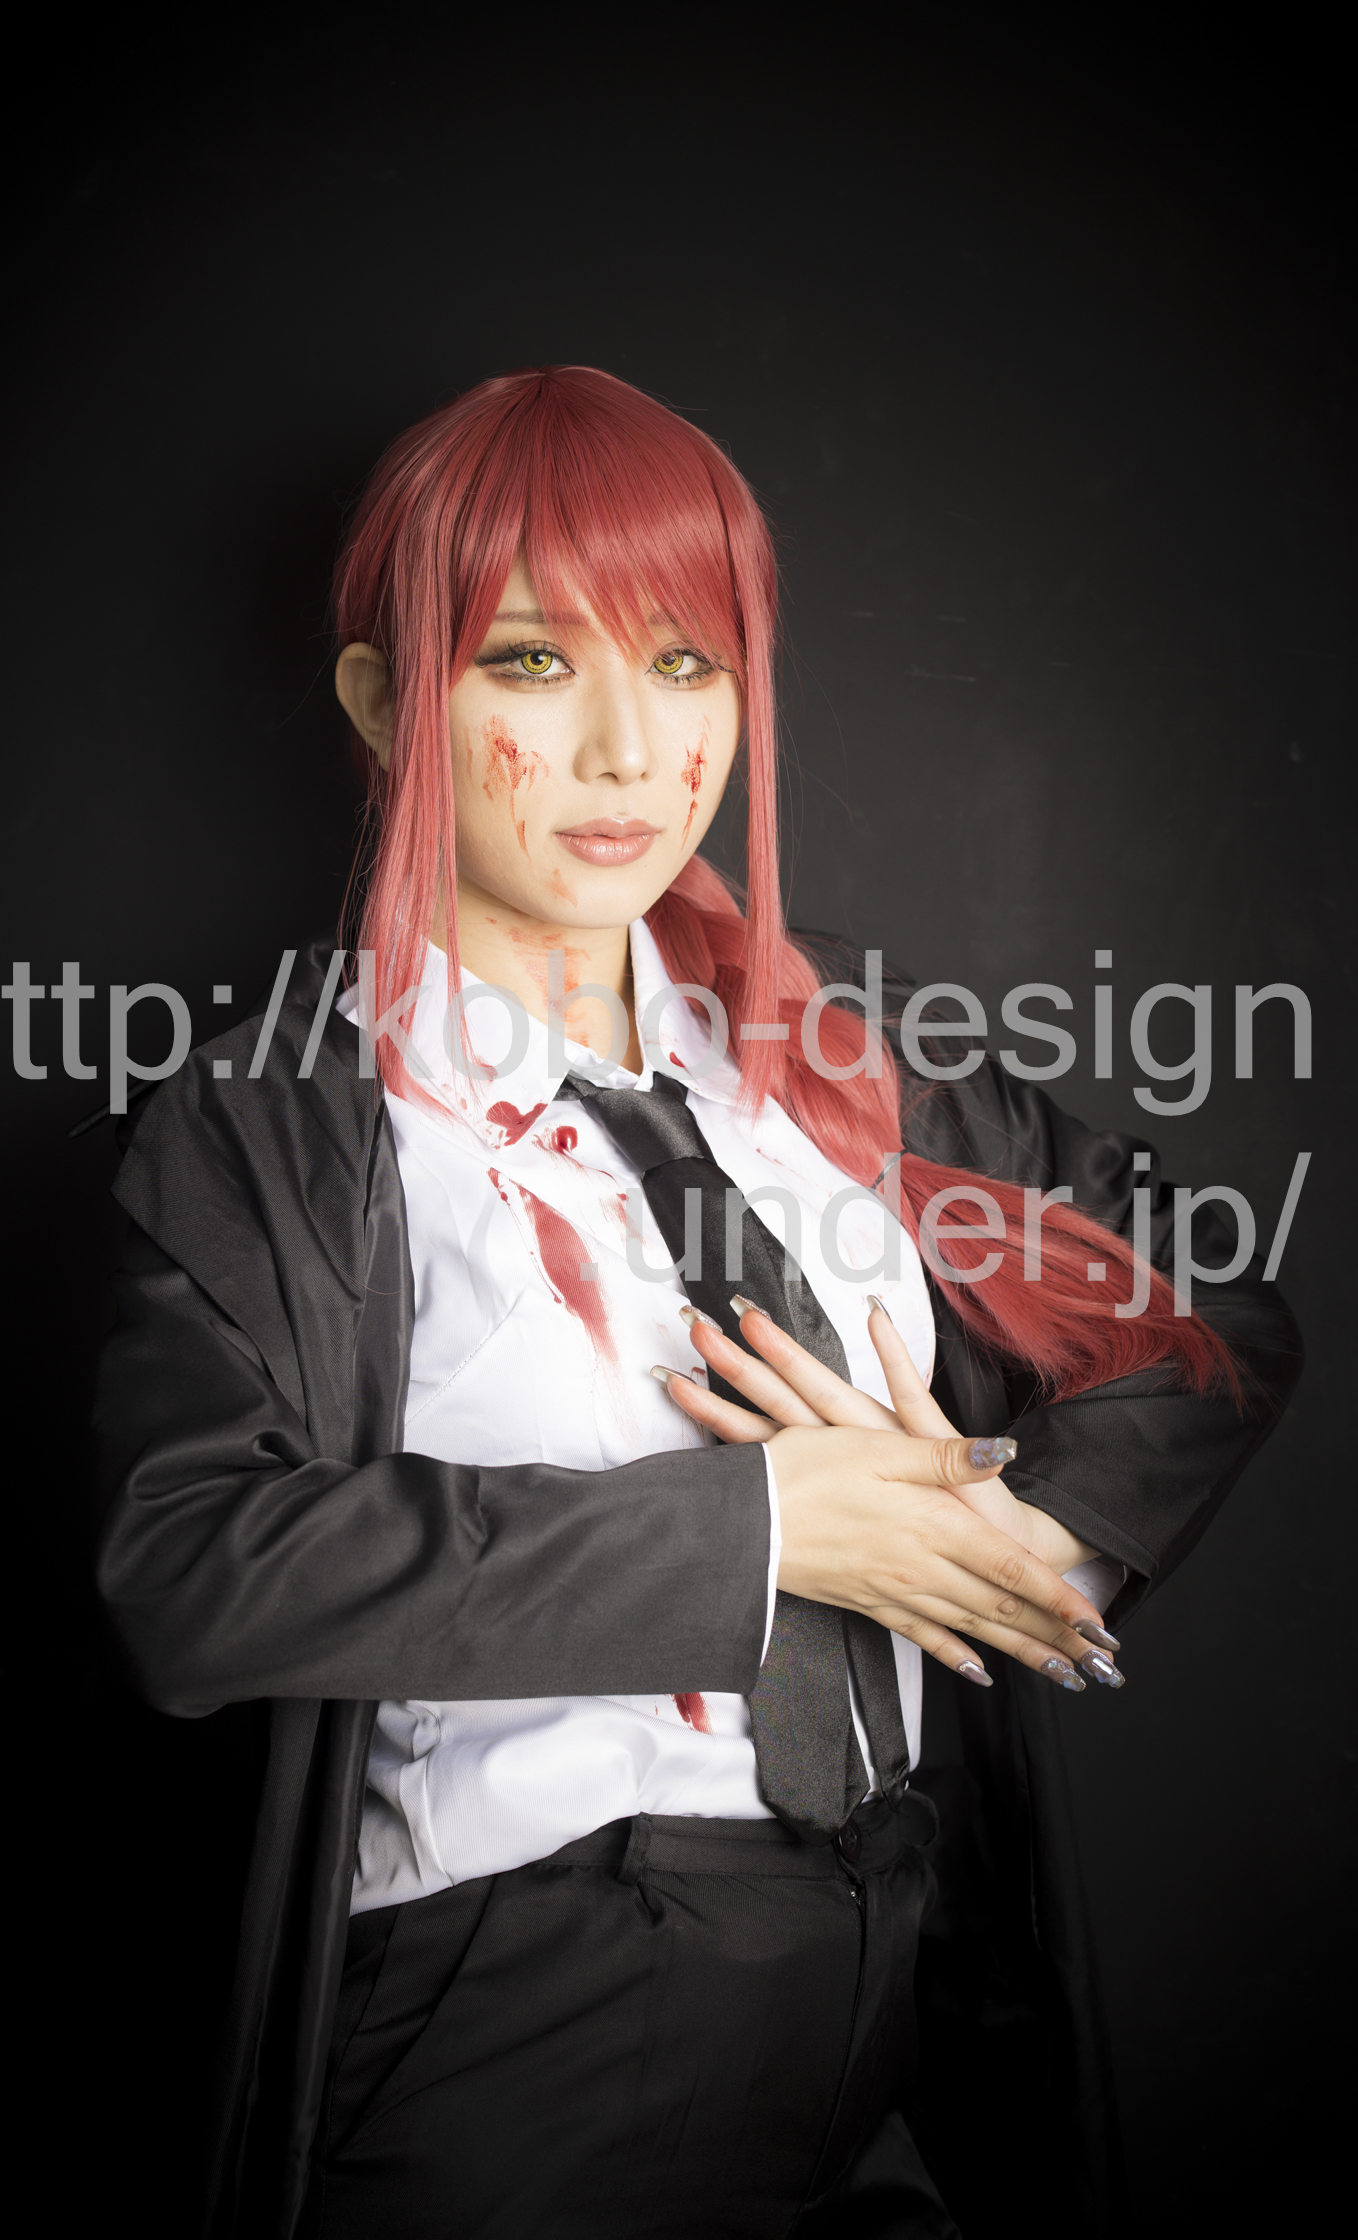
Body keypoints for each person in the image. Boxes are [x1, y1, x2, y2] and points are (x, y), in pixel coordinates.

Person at [94, 366, 1300, 2240]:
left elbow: (1206, 1302)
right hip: (519, 2033)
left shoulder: (831, 1050)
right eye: (527, 661)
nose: (622, 750)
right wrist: (762, 1533)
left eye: (682, 665)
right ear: (384, 703)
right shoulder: (278, 1123)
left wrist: (1005, 1550)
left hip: (889, 1998)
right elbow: (192, 1570)